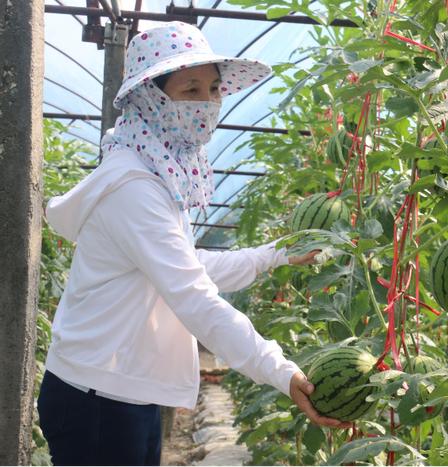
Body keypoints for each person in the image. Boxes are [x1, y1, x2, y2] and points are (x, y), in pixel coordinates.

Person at [37, 21, 348, 466]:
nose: (208, 103)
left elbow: (185, 264)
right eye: (190, 90)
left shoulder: (158, 167)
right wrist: (280, 370)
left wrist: (276, 255)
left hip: (120, 386)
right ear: (150, 96)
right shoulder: (134, 186)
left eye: (215, 89)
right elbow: (193, 295)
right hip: (98, 397)